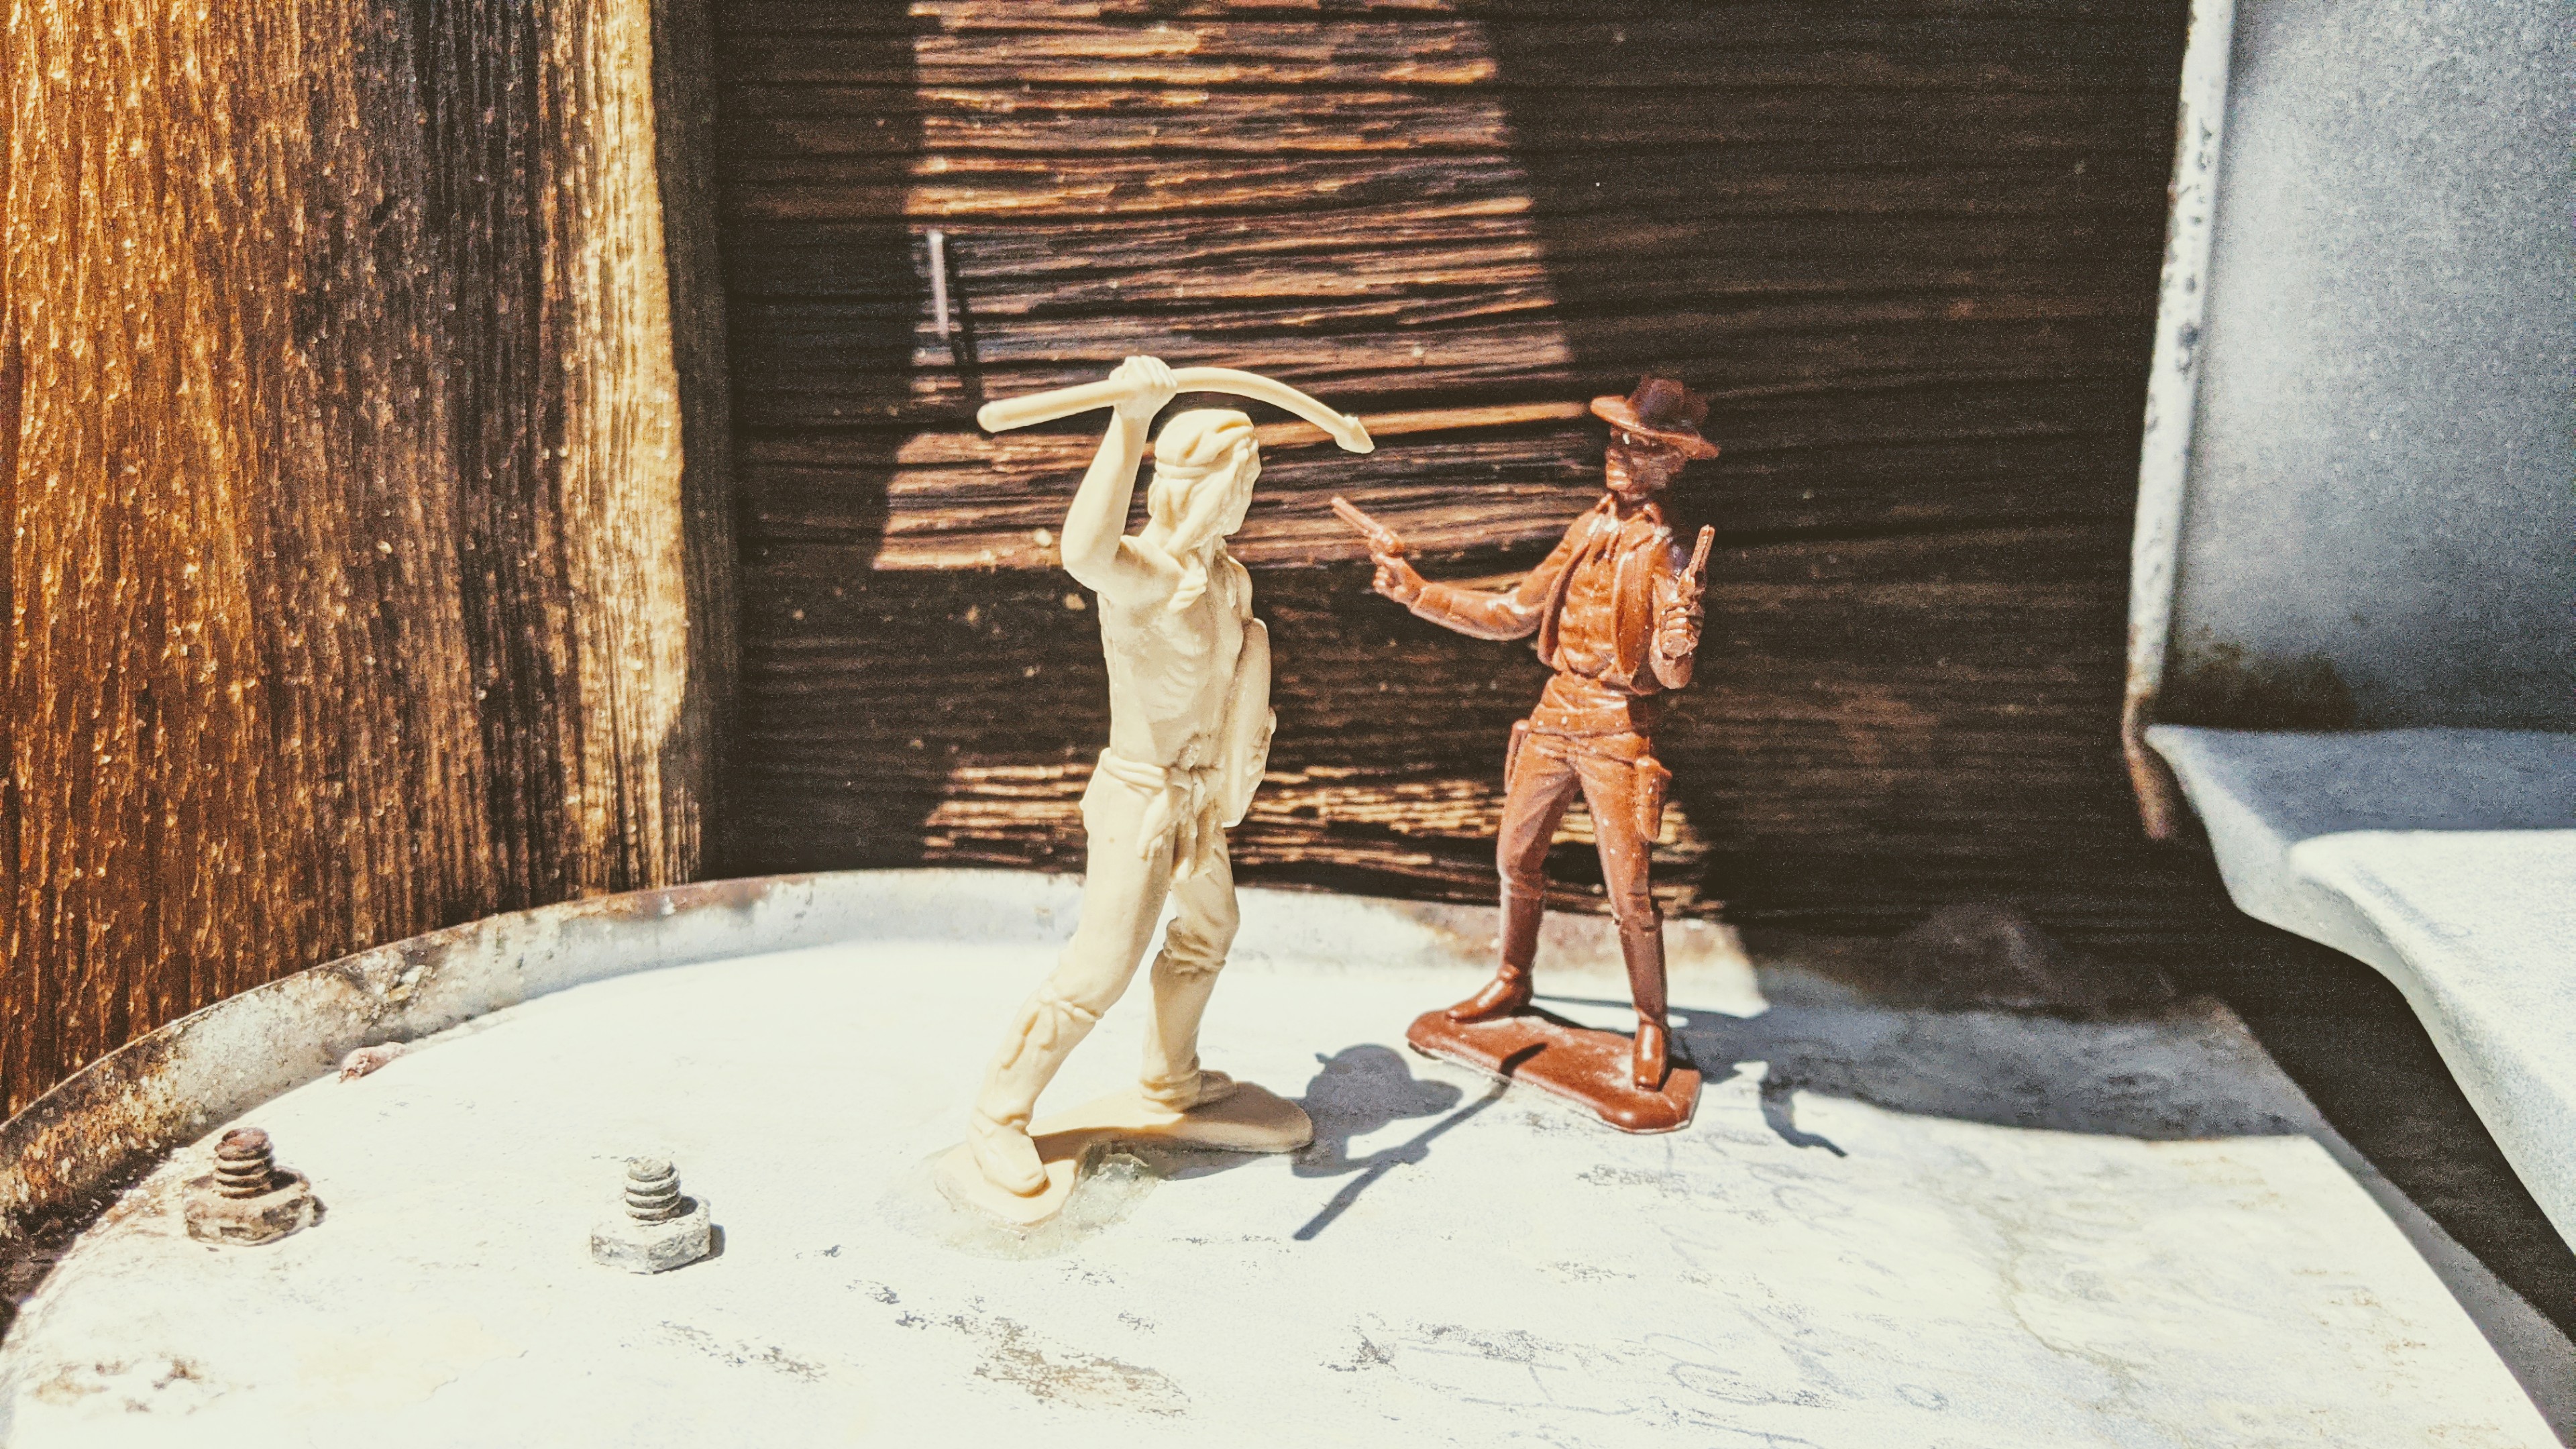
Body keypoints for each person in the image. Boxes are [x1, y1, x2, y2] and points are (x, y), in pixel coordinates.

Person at [965, 356, 1277, 1197]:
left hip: (1198, 796)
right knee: (1100, 968)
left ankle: (1170, 1079)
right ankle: (999, 1113)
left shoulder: (1227, 580)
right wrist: (1130, 421)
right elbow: (1085, 550)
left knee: (1211, 927)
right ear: (1203, 487)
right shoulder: (1144, 579)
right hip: (1139, 797)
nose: (1249, 498)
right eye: (1241, 482)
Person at [1362, 377, 1717, 1090]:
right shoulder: (1587, 527)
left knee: (1629, 890)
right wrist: (1419, 593)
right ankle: (1512, 977)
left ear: (1673, 462)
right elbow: (1515, 613)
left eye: (1641, 445)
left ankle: (1651, 1021)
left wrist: (1678, 644)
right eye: (1618, 438)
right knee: (1515, 857)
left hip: (1618, 726)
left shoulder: (1671, 548)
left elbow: (1671, 676)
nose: (1620, 453)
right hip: (1556, 711)